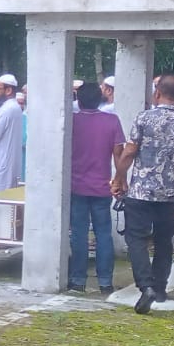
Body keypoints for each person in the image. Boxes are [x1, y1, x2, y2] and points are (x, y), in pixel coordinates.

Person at [112, 74, 174, 314]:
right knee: (164, 241)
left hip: (141, 192)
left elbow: (129, 152)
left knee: (136, 239)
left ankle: (146, 286)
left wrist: (119, 177)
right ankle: (160, 288)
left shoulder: (144, 118)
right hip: (170, 195)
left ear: (158, 93)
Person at [68, 82, 124, 293]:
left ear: (79, 100)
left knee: (79, 234)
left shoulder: (71, 121)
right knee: (103, 234)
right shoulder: (112, 120)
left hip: (76, 186)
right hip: (102, 186)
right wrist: (120, 180)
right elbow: (118, 154)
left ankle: (78, 280)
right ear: (100, 99)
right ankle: (105, 282)